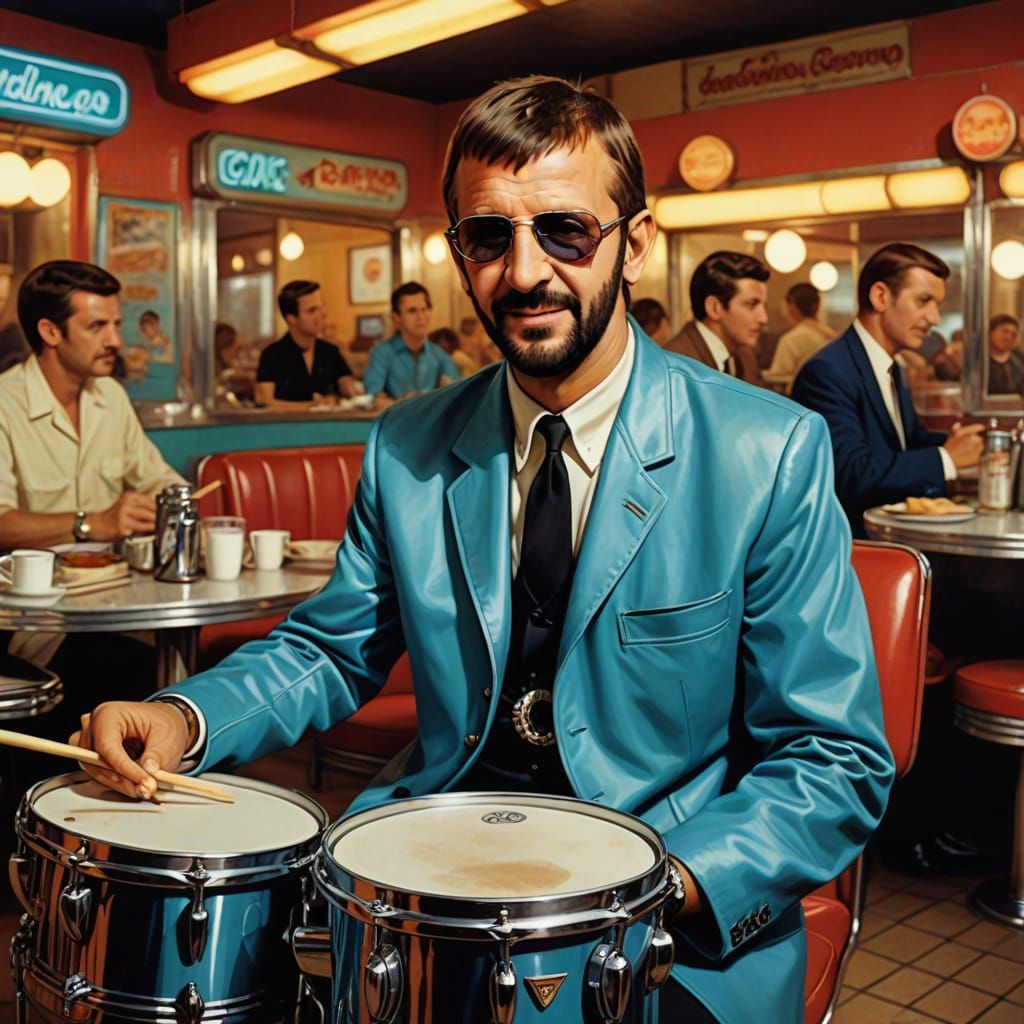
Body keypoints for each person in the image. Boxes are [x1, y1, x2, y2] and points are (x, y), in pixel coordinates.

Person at [75, 76, 891, 1024]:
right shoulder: (408, 443)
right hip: (433, 879)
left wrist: (659, 885)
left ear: (635, 244)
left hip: (666, 906)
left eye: (566, 231)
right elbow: (332, 649)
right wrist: (183, 715)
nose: (525, 271)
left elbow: (833, 753)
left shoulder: (768, 450)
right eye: (489, 236)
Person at [0, 260, 183, 808]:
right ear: (49, 332)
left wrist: (176, 503)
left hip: (112, 608)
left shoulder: (110, 398)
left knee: (180, 686)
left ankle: (143, 829)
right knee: (127, 674)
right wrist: (91, 523)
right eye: (97, 326)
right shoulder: (5, 402)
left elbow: (159, 479)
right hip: (28, 624)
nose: (115, 341)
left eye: (116, 324)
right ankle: (50, 826)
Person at [791, 243, 984, 537]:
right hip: (856, 545)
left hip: (894, 535)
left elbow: (907, 442)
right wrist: (946, 459)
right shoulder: (828, 371)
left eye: (937, 305)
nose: (934, 318)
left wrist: (970, 446)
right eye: (923, 301)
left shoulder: (890, 366)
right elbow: (851, 474)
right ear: (880, 296)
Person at [664, 251, 768, 386]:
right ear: (714, 308)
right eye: (751, 305)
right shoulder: (675, 364)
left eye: (764, 306)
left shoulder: (746, 356)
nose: (764, 318)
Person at [256, 281, 359, 409]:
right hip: (286, 422)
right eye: (312, 310)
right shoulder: (271, 355)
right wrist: (311, 407)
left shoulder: (330, 351)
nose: (322, 314)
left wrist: (348, 391)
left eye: (322, 307)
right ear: (291, 318)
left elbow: (348, 388)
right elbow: (266, 402)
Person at [363, 282, 458, 403]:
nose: (421, 317)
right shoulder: (381, 353)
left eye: (424, 309)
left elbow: (457, 394)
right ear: (396, 318)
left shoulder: (439, 355)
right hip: (397, 416)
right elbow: (373, 399)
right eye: (412, 311)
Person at [768, 282, 832, 380]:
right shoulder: (832, 336)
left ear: (791, 307)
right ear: (817, 306)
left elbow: (777, 378)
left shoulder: (790, 340)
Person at [986, 313, 1024, 395]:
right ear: (991, 332)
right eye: (1005, 331)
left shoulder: (1019, 358)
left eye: (1013, 334)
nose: (1008, 337)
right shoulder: (979, 359)